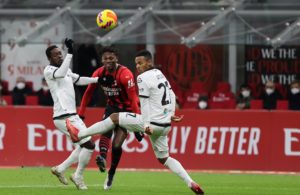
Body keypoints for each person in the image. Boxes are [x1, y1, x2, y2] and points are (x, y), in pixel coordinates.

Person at [66, 50, 204, 194]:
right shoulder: (159, 73)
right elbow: (172, 94)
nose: (138, 66)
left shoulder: (142, 77)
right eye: (136, 64)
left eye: (140, 63)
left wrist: (145, 125)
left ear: (149, 62)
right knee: (164, 158)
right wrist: (172, 114)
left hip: (152, 123)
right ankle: (190, 182)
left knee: (113, 117)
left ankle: (79, 134)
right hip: (165, 125)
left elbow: (143, 102)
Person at [78, 46, 143, 190]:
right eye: (105, 58)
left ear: (116, 58)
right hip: (112, 107)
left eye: (111, 58)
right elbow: (88, 93)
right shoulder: (99, 73)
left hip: (127, 110)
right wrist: (81, 113)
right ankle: (102, 157)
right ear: (101, 60)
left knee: (117, 145)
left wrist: (138, 123)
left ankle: (111, 173)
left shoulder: (125, 74)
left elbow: (133, 99)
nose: (108, 61)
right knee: (105, 129)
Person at [44, 38, 100, 190]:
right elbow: (61, 74)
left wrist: (98, 80)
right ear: (49, 58)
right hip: (64, 117)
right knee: (89, 145)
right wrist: (70, 53)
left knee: (82, 147)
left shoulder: (66, 70)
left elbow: (79, 80)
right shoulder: (49, 70)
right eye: (56, 55)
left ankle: (60, 169)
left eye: (60, 54)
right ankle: (78, 176)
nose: (59, 56)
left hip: (72, 116)